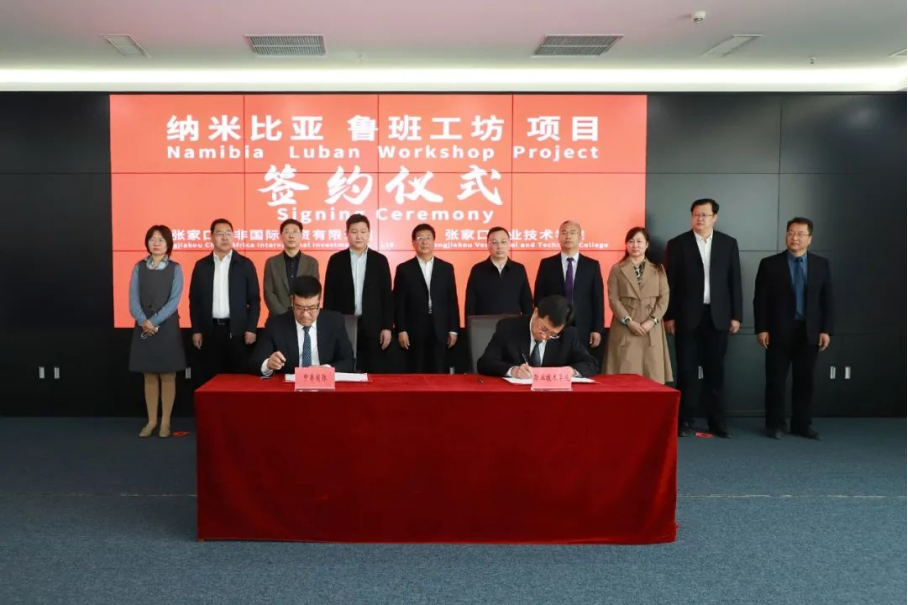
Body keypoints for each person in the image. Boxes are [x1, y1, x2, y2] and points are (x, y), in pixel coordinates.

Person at [664, 199, 742, 438]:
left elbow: (735, 281)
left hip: (718, 316)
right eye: (696, 214)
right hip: (687, 316)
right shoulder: (677, 244)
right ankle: (684, 421)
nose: (700, 219)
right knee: (686, 371)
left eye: (705, 215)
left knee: (715, 372)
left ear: (715, 217)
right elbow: (670, 283)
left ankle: (717, 422)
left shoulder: (728, 243)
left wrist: (736, 315)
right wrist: (669, 315)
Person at [754, 217, 834, 440]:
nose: (794, 238)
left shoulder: (821, 264)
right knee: (775, 380)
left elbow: (827, 300)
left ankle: (802, 424)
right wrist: (761, 328)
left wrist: (826, 330)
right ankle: (775, 424)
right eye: (790, 233)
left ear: (810, 239)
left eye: (800, 234)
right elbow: (760, 300)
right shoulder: (770, 264)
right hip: (778, 331)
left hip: (809, 331)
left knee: (805, 381)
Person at [128, 225, 187, 438]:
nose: (156, 243)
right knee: (149, 375)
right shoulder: (139, 267)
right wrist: (143, 321)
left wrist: (154, 321)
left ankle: (166, 422)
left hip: (167, 327)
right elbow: (133, 299)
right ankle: (152, 421)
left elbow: (174, 300)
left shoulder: (175, 268)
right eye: (152, 239)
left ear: (168, 244)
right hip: (143, 326)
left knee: (168, 374)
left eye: (161, 240)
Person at [189, 218, 261, 387]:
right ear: (211, 237)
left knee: (239, 380)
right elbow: (194, 301)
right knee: (210, 379)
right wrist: (196, 330)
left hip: (238, 332)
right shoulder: (201, 266)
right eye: (220, 233)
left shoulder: (245, 264)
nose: (224, 237)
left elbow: (254, 300)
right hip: (210, 331)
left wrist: (251, 328)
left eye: (228, 233)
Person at [323, 214, 393, 372]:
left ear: (369, 233)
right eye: (354, 232)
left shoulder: (380, 260)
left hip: (373, 324)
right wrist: (328, 325)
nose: (359, 236)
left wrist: (387, 327)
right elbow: (329, 295)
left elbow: (387, 297)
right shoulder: (336, 260)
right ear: (347, 234)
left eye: (363, 231)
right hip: (343, 322)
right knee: (344, 367)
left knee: (372, 369)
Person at [605, 227, 673, 384]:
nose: (635, 245)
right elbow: (613, 299)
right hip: (625, 326)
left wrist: (652, 321)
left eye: (639, 241)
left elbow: (664, 298)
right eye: (631, 241)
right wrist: (629, 321)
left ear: (647, 244)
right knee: (624, 378)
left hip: (651, 327)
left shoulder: (658, 269)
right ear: (626, 244)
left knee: (652, 376)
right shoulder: (617, 269)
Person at [251, 276, 355, 375]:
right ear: (292, 301)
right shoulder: (276, 324)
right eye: (299, 307)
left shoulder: (334, 321)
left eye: (311, 308)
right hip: (289, 385)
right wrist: (268, 364)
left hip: (323, 383)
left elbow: (348, 361)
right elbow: (255, 362)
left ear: (319, 302)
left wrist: (326, 369)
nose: (305, 314)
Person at [477, 295, 598, 378]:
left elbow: (591, 363)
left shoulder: (568, 335)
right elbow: (485, 363)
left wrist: (571, 371)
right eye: (543, 329)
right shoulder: (508, 328)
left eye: (553, 334)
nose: (545, 337)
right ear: (535, 313)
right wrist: (513, 371)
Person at [394, 223, 459, 373]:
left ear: (434, 241)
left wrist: (453, 329)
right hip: (414, 328)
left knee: (440, 370)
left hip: (440, 327)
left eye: (428, 238)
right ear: (413, 243)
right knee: (416, 370)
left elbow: (452, 301)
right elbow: (399, 303)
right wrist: (401, 329)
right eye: (420, 238)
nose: (424, 242)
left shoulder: (446, 268)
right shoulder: (404, 269)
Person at [534, 220, 604, 351]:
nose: (568, 236)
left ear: (580, 237)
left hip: (583, 325)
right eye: (564, 232)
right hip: (553, 324)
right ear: (558, 237)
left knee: (581, 360)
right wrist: (541, 323)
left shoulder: (592, 265)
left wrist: (597, 329)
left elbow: (597, 299)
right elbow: (539, 296)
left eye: (573, 232)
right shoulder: (547, 264)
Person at [465, 227, 533, 317]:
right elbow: (470, 304)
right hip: (484, 324)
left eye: (503, 242)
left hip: (513, 323)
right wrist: (470, 324)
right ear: (488, 245)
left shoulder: (519, 269)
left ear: (509, 243)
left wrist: (529, 323)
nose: (499, 246)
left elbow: (527, 302)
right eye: (494, 242)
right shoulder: (478, 270)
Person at [263, 218, 319, 317]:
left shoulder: (311, 263)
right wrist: (283, 314)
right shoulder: (271, 262)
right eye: (287, 231)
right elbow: (268, 292)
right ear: (280, 236)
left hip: (304, 316)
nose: (291, 235)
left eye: (295, 231)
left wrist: (302, 312)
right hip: (277, 318)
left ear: (301, 236)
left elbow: (314, 292)